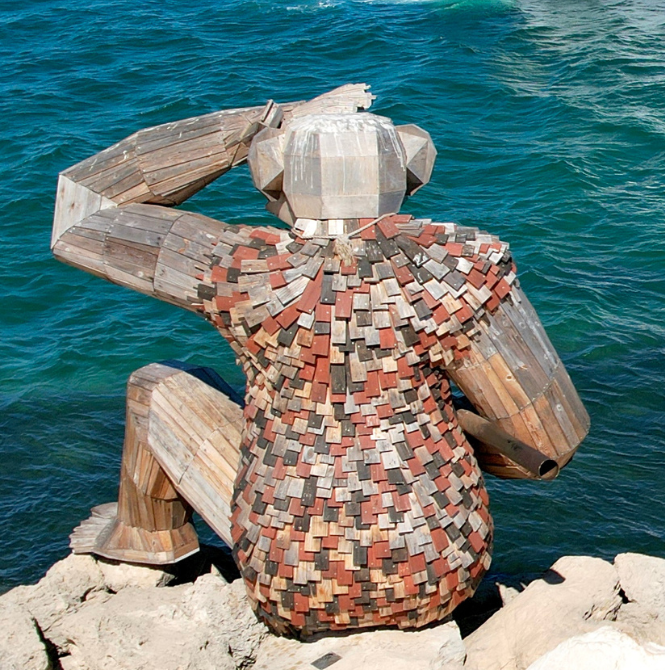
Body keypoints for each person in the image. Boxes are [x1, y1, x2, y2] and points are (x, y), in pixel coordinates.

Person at [52, 86, 589, 636]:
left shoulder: (237, 270)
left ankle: (147, 538)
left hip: (291, 579)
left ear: (275, 177)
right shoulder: (465, 270)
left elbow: (81, 209)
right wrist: (442, 445)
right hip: (436, 571)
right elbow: (549, 441)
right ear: (410, 171)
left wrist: (265, 121)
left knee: (158, 385)